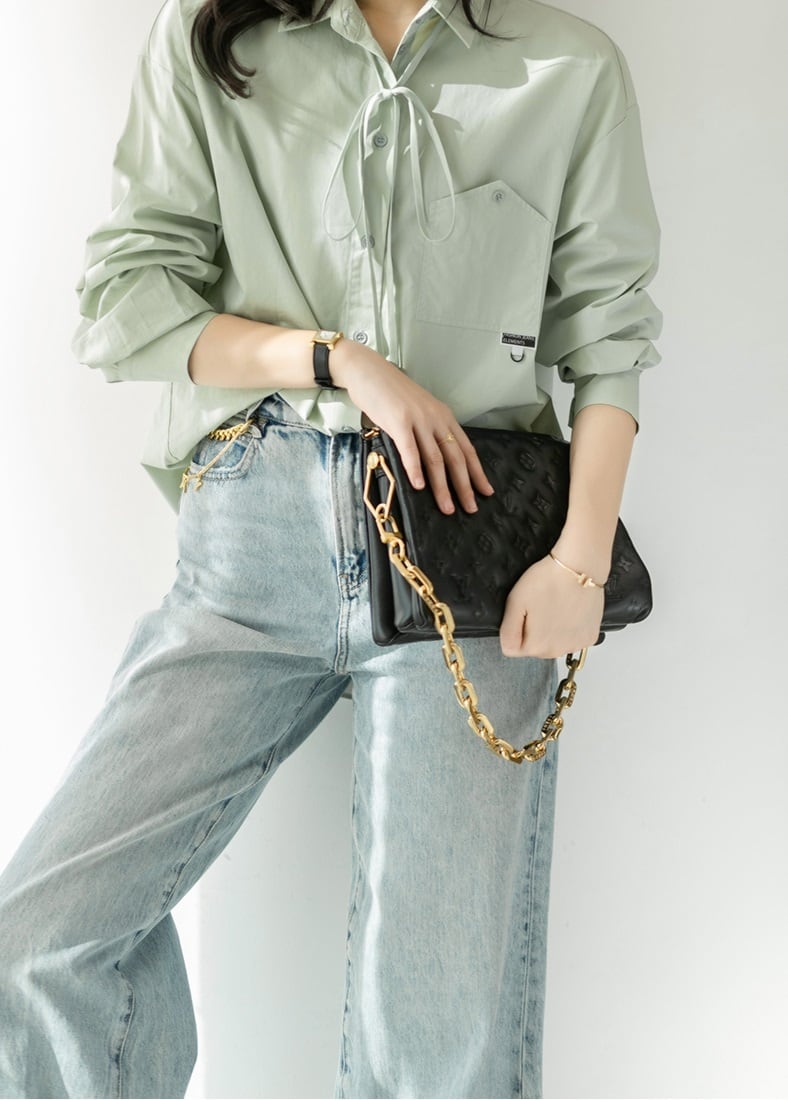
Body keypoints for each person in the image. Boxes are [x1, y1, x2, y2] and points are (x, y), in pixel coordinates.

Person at [0, 0, 662, 1095]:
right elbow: (126, 299)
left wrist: (580, 559)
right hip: (252, 537)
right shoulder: (214, 36)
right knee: (40, 945)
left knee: (432, 1038)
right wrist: (334, 358)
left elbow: (609, 337)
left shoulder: (567, 67)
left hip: (470, 553)